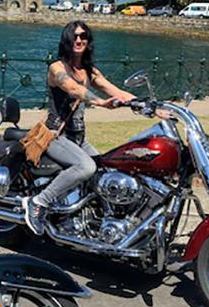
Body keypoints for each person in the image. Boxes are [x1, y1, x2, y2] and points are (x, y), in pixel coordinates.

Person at [23, 20, 136, 235]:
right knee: (86, 167)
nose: (78, 40)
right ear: (66, 40)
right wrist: (101, 103)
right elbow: (72, 89)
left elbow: (116, 91)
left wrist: (154, 106)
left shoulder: (90, 71)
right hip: (55, 135)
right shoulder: (57, 68)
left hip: (78, 138)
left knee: (106, 169)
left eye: (83, 36)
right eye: (74, 36)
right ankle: (39, 202)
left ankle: (89, 215)